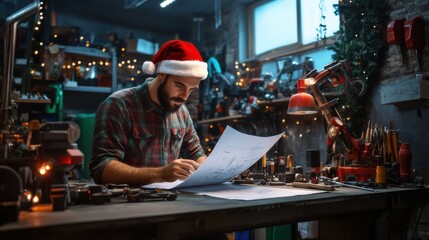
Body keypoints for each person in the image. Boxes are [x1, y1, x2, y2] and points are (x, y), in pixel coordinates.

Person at [89, 39, 208, 186]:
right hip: (126, 203)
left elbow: (196, 154)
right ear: (162, 75)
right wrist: (161, 174)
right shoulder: (119, 105)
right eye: (179, 85)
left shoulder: (181, 111)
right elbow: (101, 168)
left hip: (170, 201)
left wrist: (211, 172)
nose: (184, 96)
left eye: (191, 90)